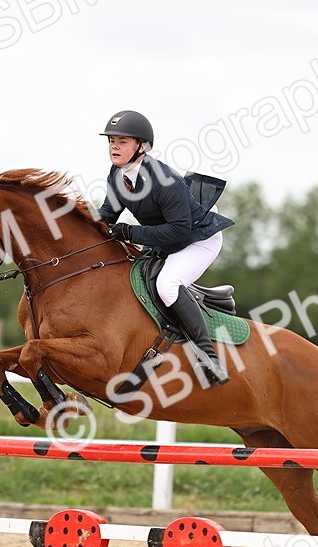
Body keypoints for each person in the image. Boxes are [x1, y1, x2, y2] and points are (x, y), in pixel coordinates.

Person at [97, 110, 234, 385]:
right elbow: (107, 217)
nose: (114, 146)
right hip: (168, 237)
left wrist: (132, 232)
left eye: (122, 141)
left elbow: (180, 232)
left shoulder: (164, 180)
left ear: (141, 147)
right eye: (111, 141)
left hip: (198, 239)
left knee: (167, 285)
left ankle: (209, 358)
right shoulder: (118, 175)